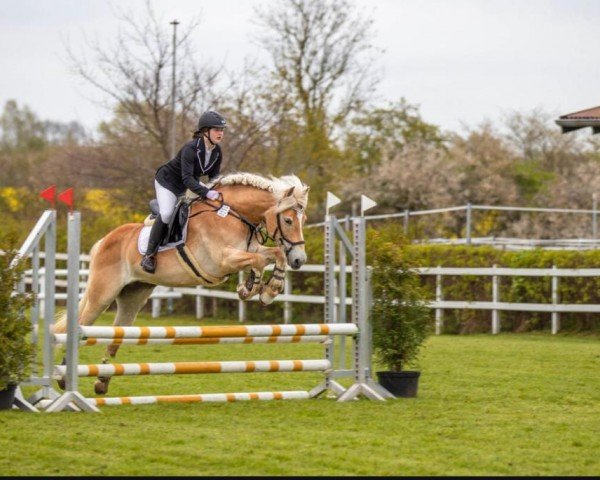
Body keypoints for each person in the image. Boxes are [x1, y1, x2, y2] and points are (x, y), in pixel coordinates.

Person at [140, 110, 227, 273]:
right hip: (167, 182)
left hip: (188, 183)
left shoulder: (216, 152)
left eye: (222, 130)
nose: (220, 133)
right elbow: (187, 178)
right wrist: (207, 193)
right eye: (217, 129)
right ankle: (149, 255)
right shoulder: (191, 148)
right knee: (166, 213)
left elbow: (214, 178)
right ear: (205, 131)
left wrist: (220, 193)